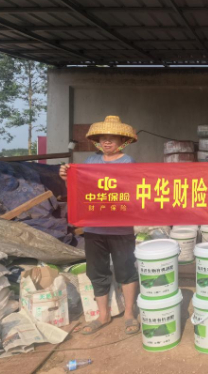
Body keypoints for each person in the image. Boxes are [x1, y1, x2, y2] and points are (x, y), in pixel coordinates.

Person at [60, 116, 140, 336]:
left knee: (126, 269)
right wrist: (68, 178)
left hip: (121, 228)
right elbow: (80, 189)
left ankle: (129, 313)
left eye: (112, 137)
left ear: (122, 141)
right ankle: (103, 315)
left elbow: (135, 191)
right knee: (97, 271)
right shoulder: (89, 162)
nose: (107, 141)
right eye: (103, 138)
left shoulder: (128, 162)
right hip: (94, 229)